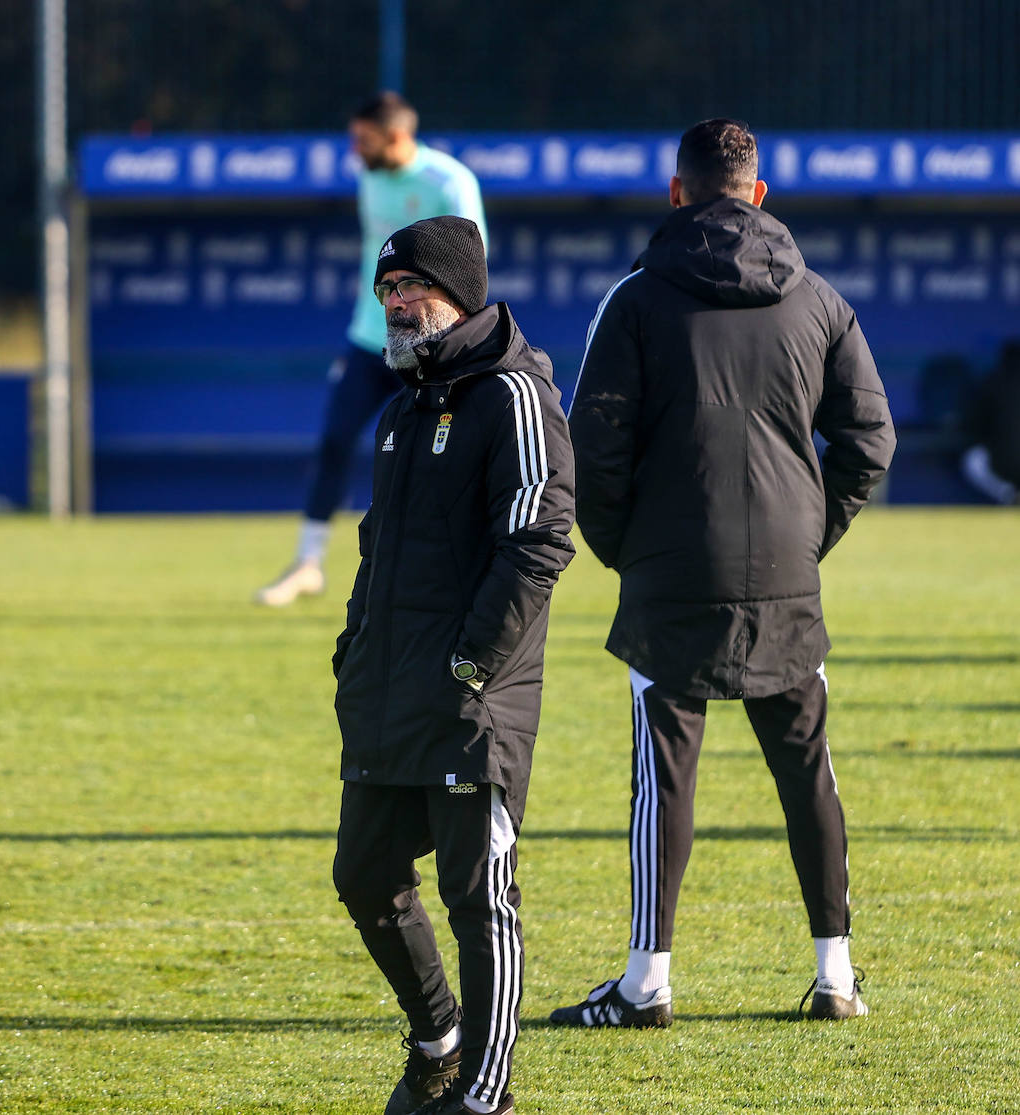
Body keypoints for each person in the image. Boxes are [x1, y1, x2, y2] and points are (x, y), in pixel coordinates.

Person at [549, 119, 896, 1029]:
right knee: (808, 772)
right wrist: (808, 535)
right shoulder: (818, 297)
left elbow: (591, 448)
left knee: (662, 777)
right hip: (787, 569)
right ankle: (837, 976)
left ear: (676, 193)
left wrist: (631, 549)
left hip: (671, 567)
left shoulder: (634, 298)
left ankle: (646, 984)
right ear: (759, 193)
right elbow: (871, 441)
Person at [331, 216, 575, 1115]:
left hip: (475, 699)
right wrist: (353, 653)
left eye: (412, 288)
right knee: (363, 872)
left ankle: (485, 1093)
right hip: (390, 691)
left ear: (460, 291)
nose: (397, 303)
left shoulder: (512, 392)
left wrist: (474, 660)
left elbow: (543, 538)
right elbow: (376, 549)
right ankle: (438, 1038)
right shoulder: (404, 408)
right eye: (387, 290)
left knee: (478, 898)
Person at [254, 92, 486, 606]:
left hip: (431, 344)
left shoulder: (450, 183)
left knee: (443, 455)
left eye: (363, 139)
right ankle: (307, 564)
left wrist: (456, 342)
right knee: (334, 441)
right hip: (368, 337)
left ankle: (454, 564)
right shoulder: (369, 178)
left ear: (397, 136)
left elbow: (473, 267)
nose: (354, 149)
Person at [959, 340, 1020, 505]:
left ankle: (1008, 495)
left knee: (974, 459)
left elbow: (975, 425)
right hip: (1004, 458)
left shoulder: (992, 381)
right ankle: (1011, 496)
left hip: (1000, 460)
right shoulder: (993, 383)